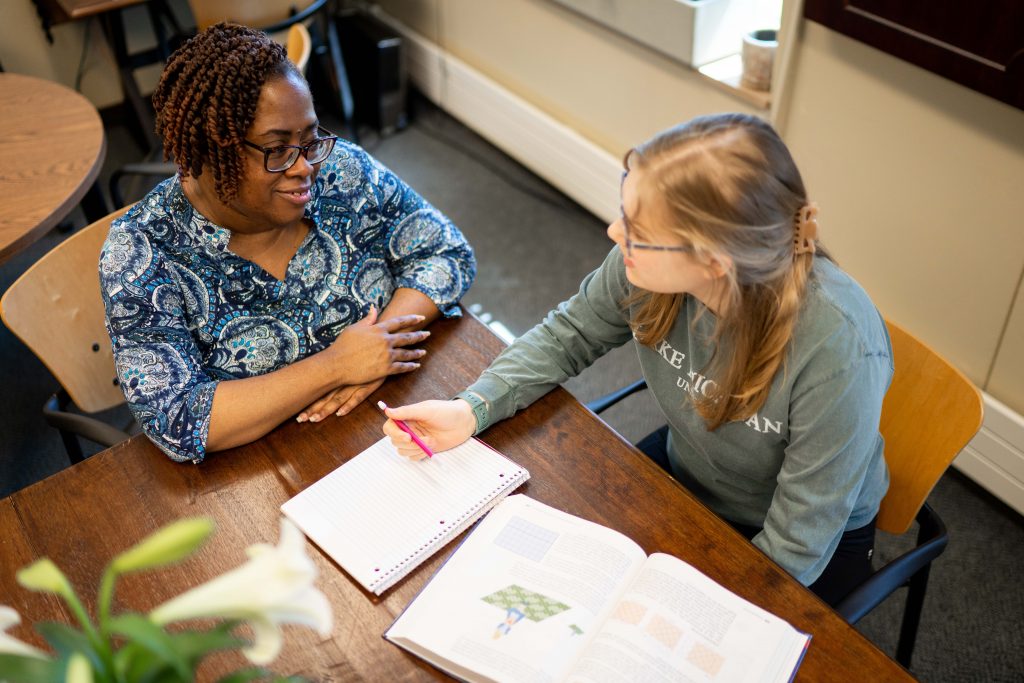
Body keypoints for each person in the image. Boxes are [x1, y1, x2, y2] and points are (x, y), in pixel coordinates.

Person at [382, 113, 892, 606]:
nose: (613, 232)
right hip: (690, 469)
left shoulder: (838, 349)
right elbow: (569, 334)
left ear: (714, 261)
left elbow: (800, 537)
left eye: (637, 229)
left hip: (798, 537)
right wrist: (473, 408)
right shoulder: (644, 270)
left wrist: (706, 614)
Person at [100, 23, 475, 464]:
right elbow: (178, 419)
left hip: (390, 436)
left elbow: (444, 249)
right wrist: (336, 366)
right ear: (206, 152)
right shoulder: (143, 253)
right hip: (258, 477)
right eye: (277, 149)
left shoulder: (340, 171)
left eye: (309, 139)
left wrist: (378, 348)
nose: (305, 168)